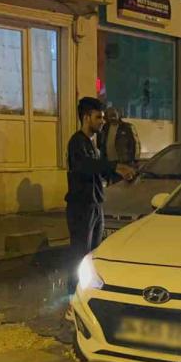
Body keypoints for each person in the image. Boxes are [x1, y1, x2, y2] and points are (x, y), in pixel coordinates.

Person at [65, 97, 136, 294]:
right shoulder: (77, 142)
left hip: (95, 204)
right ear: (87, 118)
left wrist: (122, 172)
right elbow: (86, 167)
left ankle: (88, 292)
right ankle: (73, 295)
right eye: (98, 117)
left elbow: (100, 170)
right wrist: (114, 166)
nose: (102, 121)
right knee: (80, 255)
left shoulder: (91, 144)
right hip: (81, 207)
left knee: (94, 254)